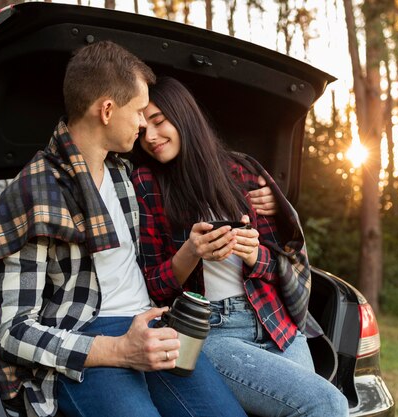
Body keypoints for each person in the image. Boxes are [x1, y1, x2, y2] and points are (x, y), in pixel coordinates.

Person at [0, 42, 248, 417]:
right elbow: (15, 332)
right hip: (86, 336)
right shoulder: (36, 194)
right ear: (106, 110)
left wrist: (257, 190)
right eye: (138, 111)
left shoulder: (123, 174)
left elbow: (185, 162)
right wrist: (119, 350)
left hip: (153, 325)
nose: (143, 124)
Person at [131, 76, 350, 417]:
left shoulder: (241, 171)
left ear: (184, 116)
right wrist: (192, 252)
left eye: (159, 122)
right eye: (143, 130)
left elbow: (281, 261)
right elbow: (153, 284)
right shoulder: (146, 183)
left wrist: (253, 254)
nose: (152, 137)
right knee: (326, 403)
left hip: (274, 321)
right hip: (212, 333)